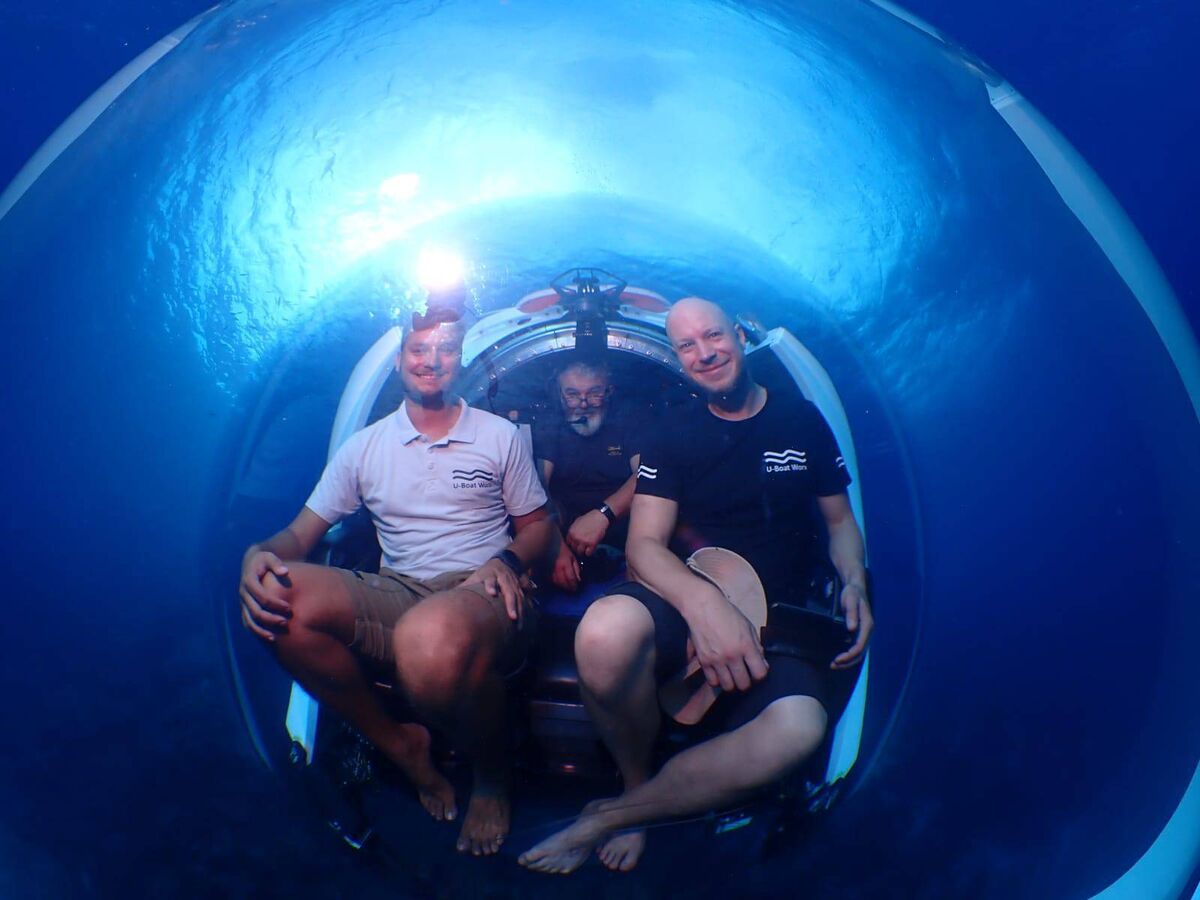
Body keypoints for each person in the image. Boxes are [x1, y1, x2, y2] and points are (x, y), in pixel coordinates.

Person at [519, 297, 873, 874]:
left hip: (775, 615)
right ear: (679, 359)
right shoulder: (672, 432)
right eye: (686, 345)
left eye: (712, 336)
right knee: (602, 634)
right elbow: (645, 544)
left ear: (738, 334)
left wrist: (854, 580)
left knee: (801, 728)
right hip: (683, 591)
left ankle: (617, 815)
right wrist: (705, 606)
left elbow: (839, 523)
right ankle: (637, 779)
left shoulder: (801, 421)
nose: (704, 353)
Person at [238, 310, 554, 856]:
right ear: (400, 360)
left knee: (426, 639)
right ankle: (402, 745)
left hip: (488, 591)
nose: (432, 361)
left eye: (446, 349)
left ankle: (492, 776)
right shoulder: (365, 447)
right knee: (279, 601)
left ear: (460, 359)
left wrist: (507, 560)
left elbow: (540, 530)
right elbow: (298, 535)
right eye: (418, 351)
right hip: (401, 589)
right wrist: (257, 554)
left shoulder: (499, 435)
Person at [533, 358, 641, 592]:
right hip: (563, 531)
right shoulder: (551, 426)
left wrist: (603, 515)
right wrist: (555, 547)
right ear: (560, 396)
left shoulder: (628, 420)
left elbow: (647, 476)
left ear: (609, 392)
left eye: (594, 394)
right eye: (572, 394)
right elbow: (536, 488)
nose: (582, 404)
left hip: (625, 529)